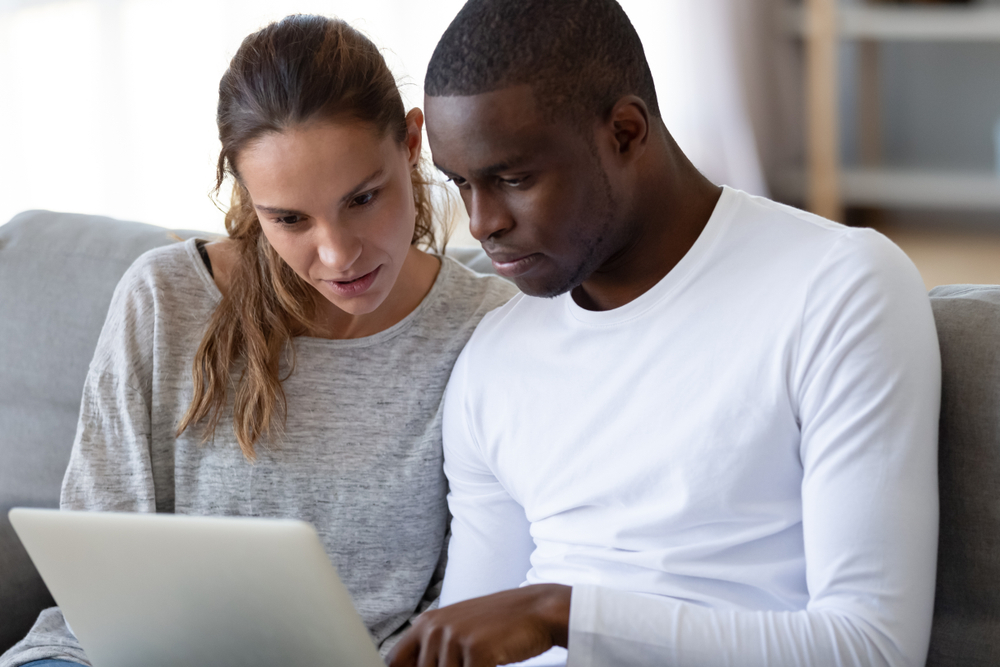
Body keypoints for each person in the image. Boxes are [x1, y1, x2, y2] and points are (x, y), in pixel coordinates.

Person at [387, 1, 941, 666]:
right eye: (461, 184)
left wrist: (561, 613)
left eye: (513, 178)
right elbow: (459, 641)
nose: (480, 224)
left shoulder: (839, 287)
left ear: (625, 131)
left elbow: (872, 649)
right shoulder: (493, 357)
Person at [0, 14, 516, 667]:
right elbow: (95, 556)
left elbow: (470, 598)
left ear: (412, 142)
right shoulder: (162, 298)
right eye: (290, 218)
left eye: (362, 198)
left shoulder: (488, 326)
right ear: (248, 196)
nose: (337, 254)